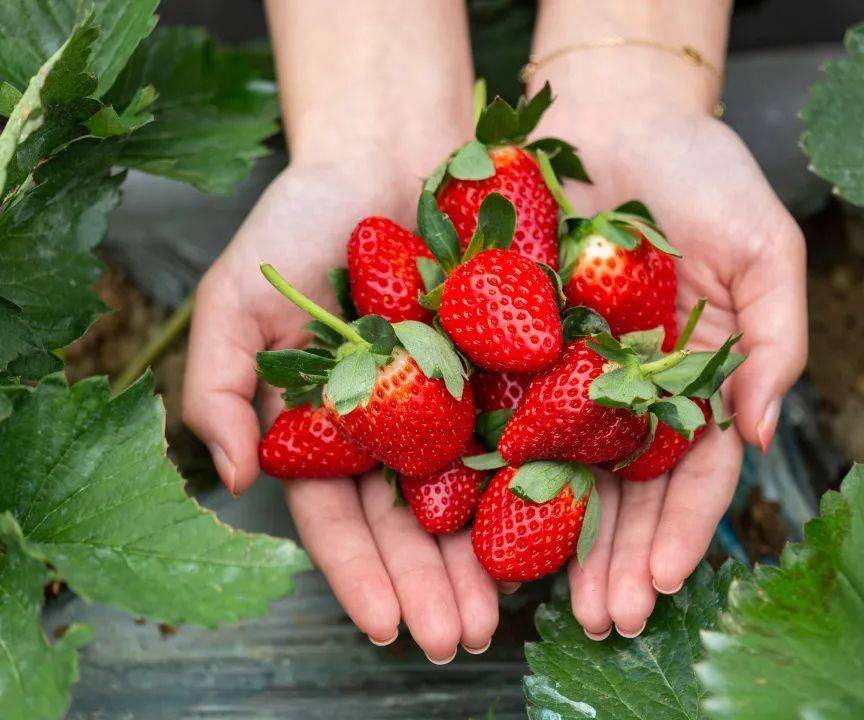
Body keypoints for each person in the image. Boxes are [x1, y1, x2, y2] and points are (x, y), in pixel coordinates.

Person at [182, 0, 806, 665]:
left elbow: (537, 357)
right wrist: (368, 115)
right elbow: (535, 353)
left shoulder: (514, 324)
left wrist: (642, 83)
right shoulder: (497, 314)